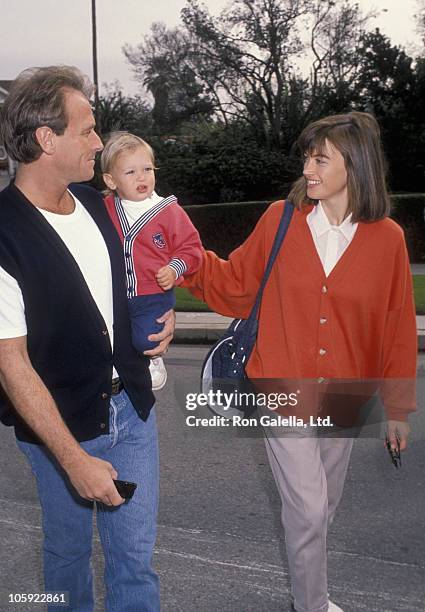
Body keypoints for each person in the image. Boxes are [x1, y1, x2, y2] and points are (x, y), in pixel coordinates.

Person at [184, 111, 417, 612]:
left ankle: (310, 593)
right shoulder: (280, 219)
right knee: (309, 509)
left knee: (322, 507)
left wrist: (397, 407)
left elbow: (397, 325)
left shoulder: (387, 239)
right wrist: (185, 259)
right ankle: (311, 604)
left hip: (347, 392)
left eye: (320, 159)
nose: (307, 169)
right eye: (308, 158)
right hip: (281, 385)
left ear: (354, 166)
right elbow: (236, 285)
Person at [0, 66, 175, 612]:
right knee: (67, 559)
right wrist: (73, 459)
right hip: (59, 429)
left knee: (134, 561)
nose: (100, 143)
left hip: (132, 411)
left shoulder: (101, 207)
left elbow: (123, 292)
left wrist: (159, 315)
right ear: (47, 139)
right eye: (88, 130)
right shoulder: (3, 231)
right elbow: (11, 363)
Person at [101, 132, 202, 390]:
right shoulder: (105, 209)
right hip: (116, 295)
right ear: (111, 181)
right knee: (116, 338)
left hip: (154, 293)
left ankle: (154, 358)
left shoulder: (169, 211)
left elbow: (192, 249)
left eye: (147, 168)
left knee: (148, 339)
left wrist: (174, 267)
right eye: (131, 172)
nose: (142, 177)